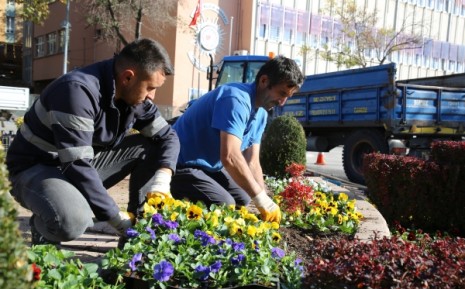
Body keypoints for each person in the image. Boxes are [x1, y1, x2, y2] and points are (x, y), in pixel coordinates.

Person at [6, 38, 180, 245]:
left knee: (149, 146)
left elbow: (168, 137)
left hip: (74, 165)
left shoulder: (134, 96)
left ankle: (137, 236)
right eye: (150, 88)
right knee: (73, 220)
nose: (152, 96)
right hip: (34, 167)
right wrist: (114, 217)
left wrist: (163, 178)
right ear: (127, 78)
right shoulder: (77, 91)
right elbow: (77, 164)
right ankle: (45, 225)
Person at [171, 55, 304, 223]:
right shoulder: (235, 99)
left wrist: (263, 199)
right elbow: (230, 157)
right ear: (264, 81)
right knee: (225, 204)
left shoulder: (261, 113)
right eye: (281, 93)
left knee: (244, 199)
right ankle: (175, 200)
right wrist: (261, 199)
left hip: (208, 167)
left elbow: (252, 160)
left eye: (288, 96)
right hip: (181, 164)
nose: (282, 102)